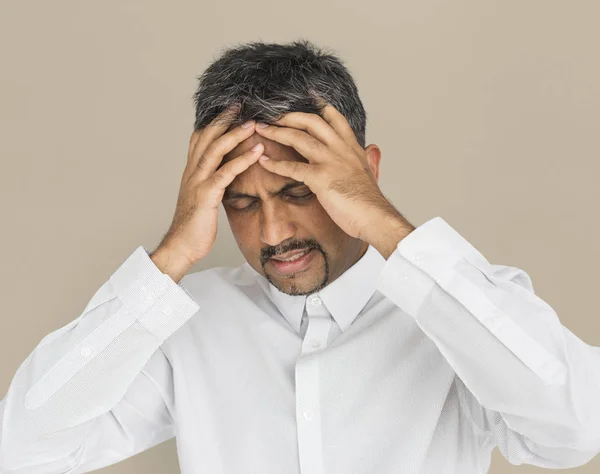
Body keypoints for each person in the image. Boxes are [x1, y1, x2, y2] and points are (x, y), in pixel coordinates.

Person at [0, 39, 599, 474]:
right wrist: (172, 256)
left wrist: (389, 226)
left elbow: (574, 433)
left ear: (365, 172)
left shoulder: (466, 307)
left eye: (298, 191)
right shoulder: (190, 321)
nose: (272, 232)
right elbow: (22, 451)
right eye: (239, 203)